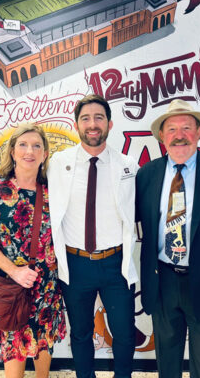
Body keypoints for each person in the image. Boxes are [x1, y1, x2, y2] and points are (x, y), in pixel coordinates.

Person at [135, 99, 200, 378]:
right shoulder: (147, 174)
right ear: (162, 137)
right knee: (168, 362)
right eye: (172, 129)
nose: (179, 135)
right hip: (163, 281)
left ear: (199, 131)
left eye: (186, 128)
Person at [47, 94, 139, 378]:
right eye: (85, 118)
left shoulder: (128, 165)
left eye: (99, 117)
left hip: (116, 264)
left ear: (109, 124)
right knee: (81, 333)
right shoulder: (57, 163)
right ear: (77, 125)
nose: (92, 124)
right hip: (76, 265)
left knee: (124, 333)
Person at [0, 123, 66, 378]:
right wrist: (14, 271)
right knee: (13, 353)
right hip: (10, 286)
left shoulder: (53, 190)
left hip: (46, 286)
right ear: (13, 151)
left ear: (45, 153)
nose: (30, 151)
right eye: (23, 145)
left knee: (43, 348)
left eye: (37, 145)